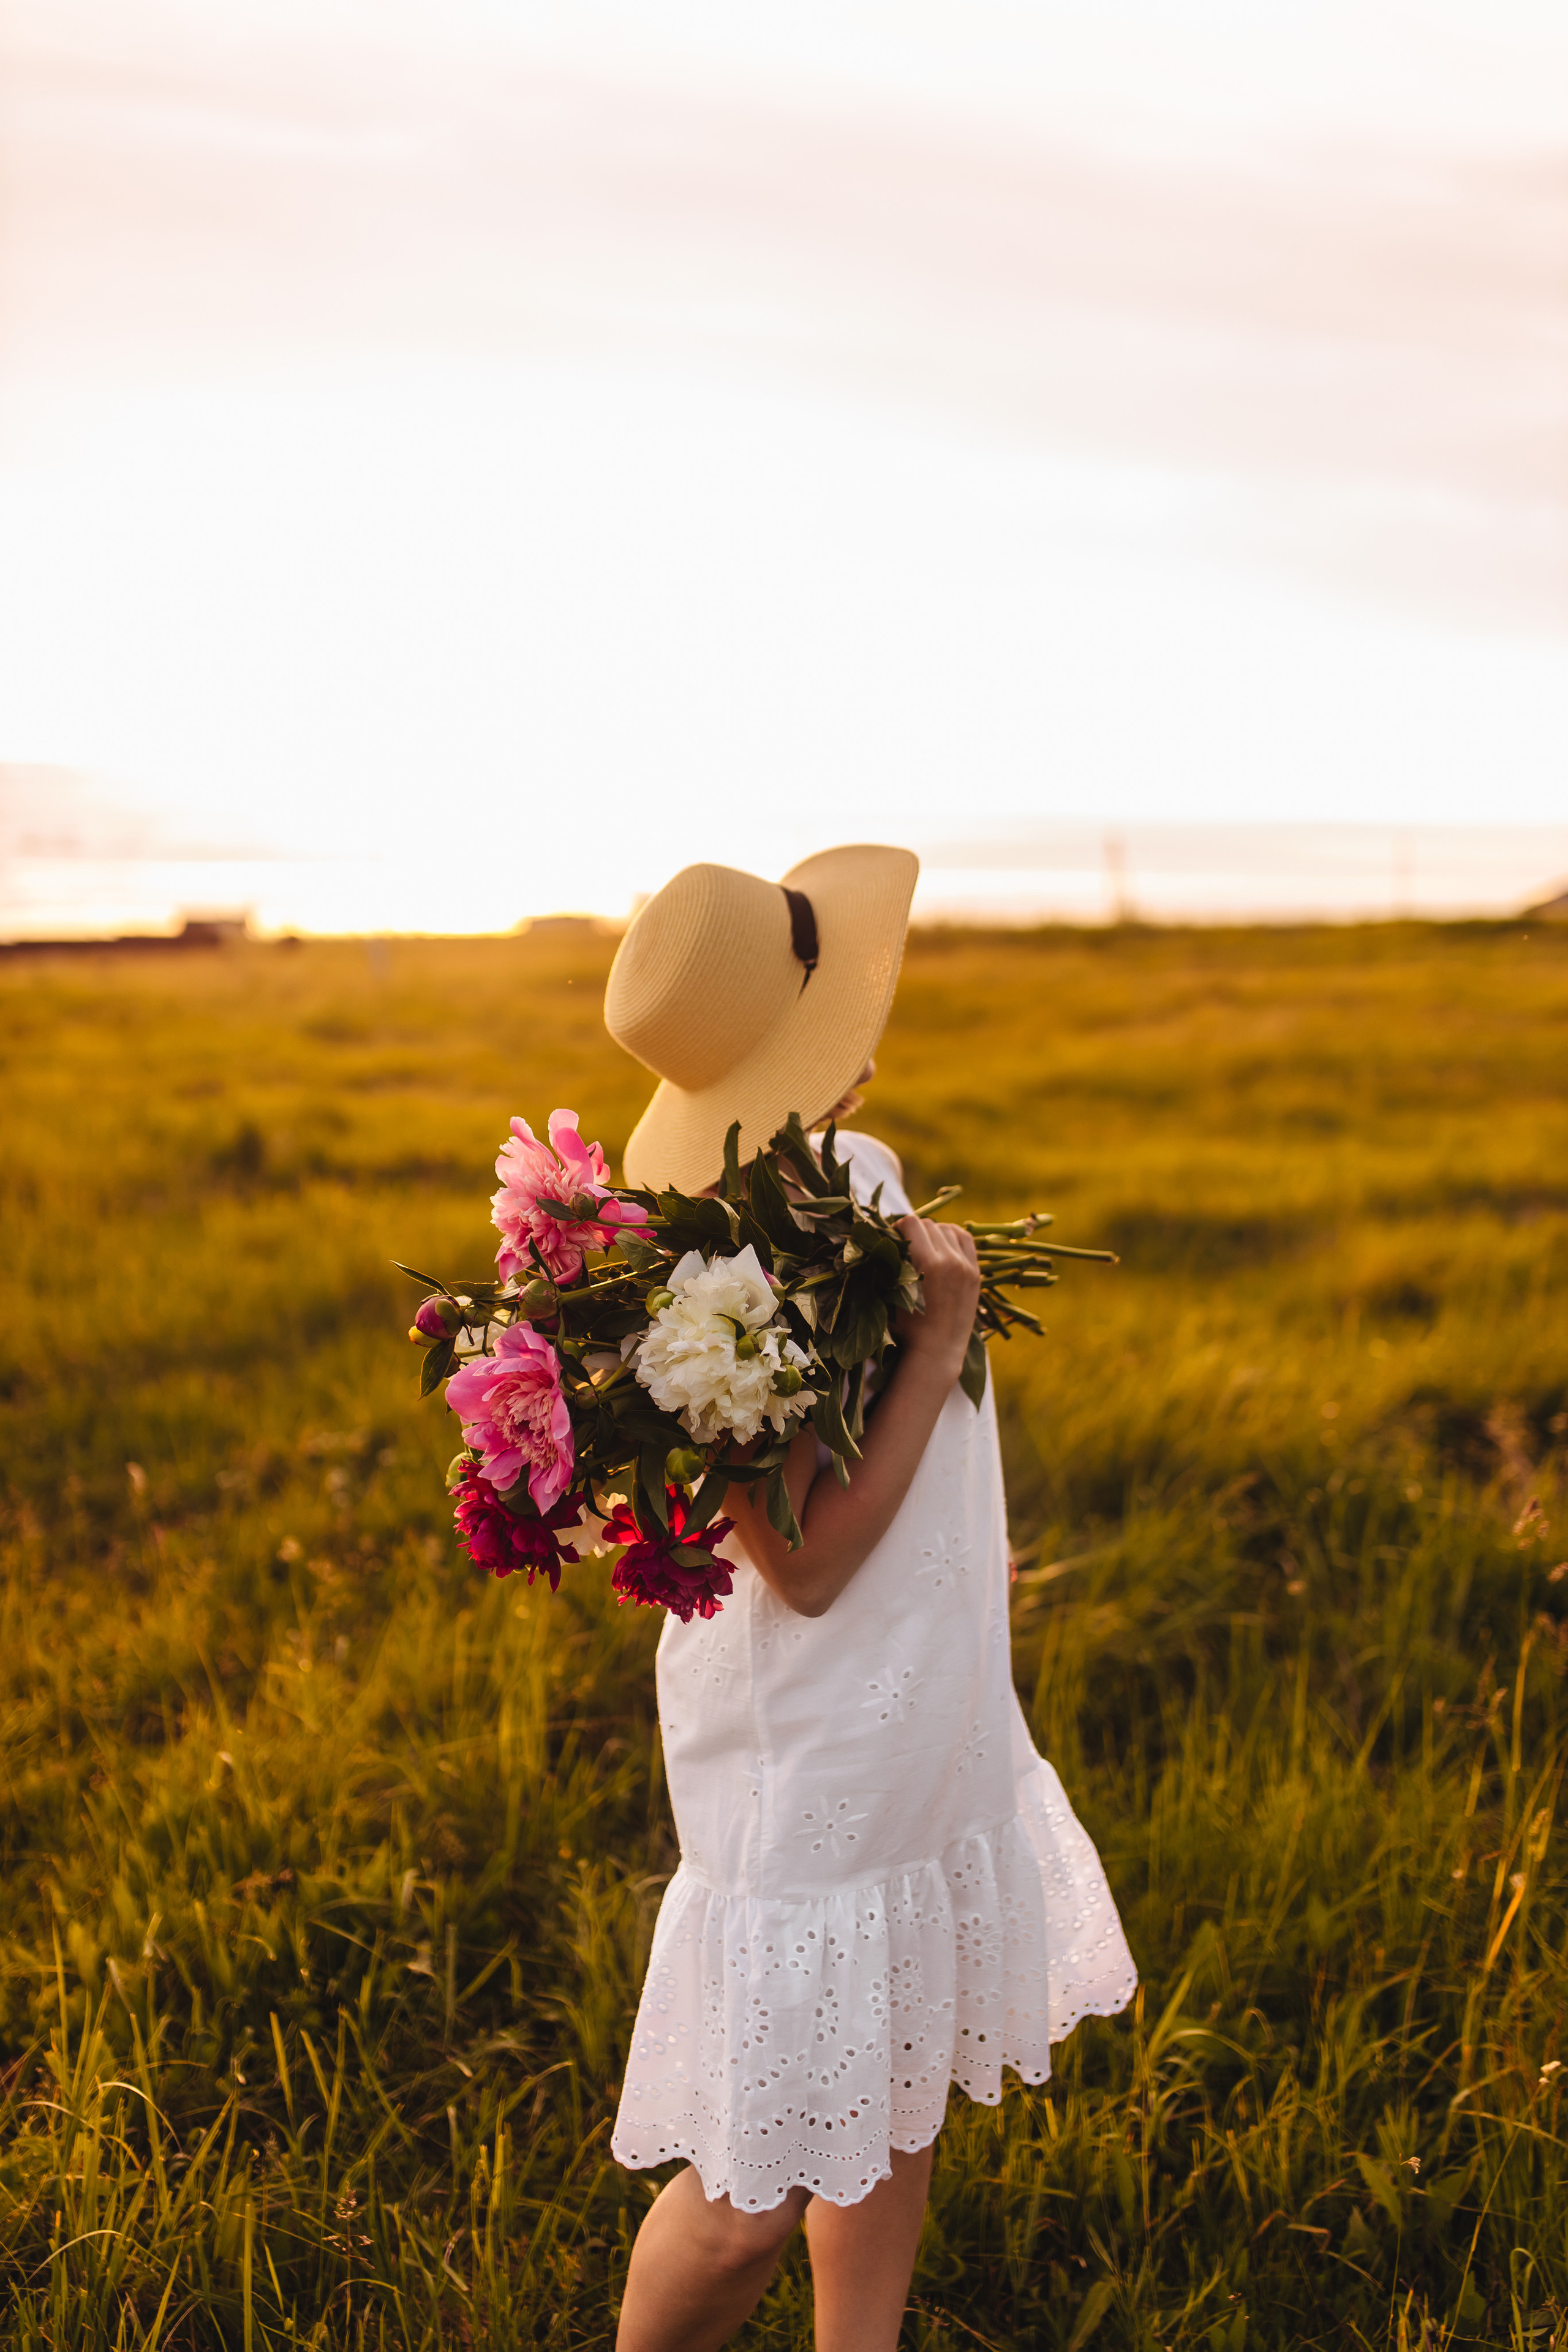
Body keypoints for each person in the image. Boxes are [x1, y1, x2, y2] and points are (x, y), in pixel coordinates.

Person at [600, 846, 1136, 2352]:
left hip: (930, 1703)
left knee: (889, 2066)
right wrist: (936, 1329)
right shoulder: (697, 1280)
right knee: (745, 2195)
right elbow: (808, 1563)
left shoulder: (865, 1175)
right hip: (810, 1748)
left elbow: (933, 1481)